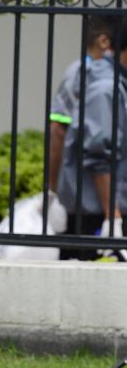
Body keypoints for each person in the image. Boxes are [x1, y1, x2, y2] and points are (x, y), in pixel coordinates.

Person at [56, 17, 127, 258]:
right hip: (98, 214)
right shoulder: (105, 87)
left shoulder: (117, 83)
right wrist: (113, 216)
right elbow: (98, 152)